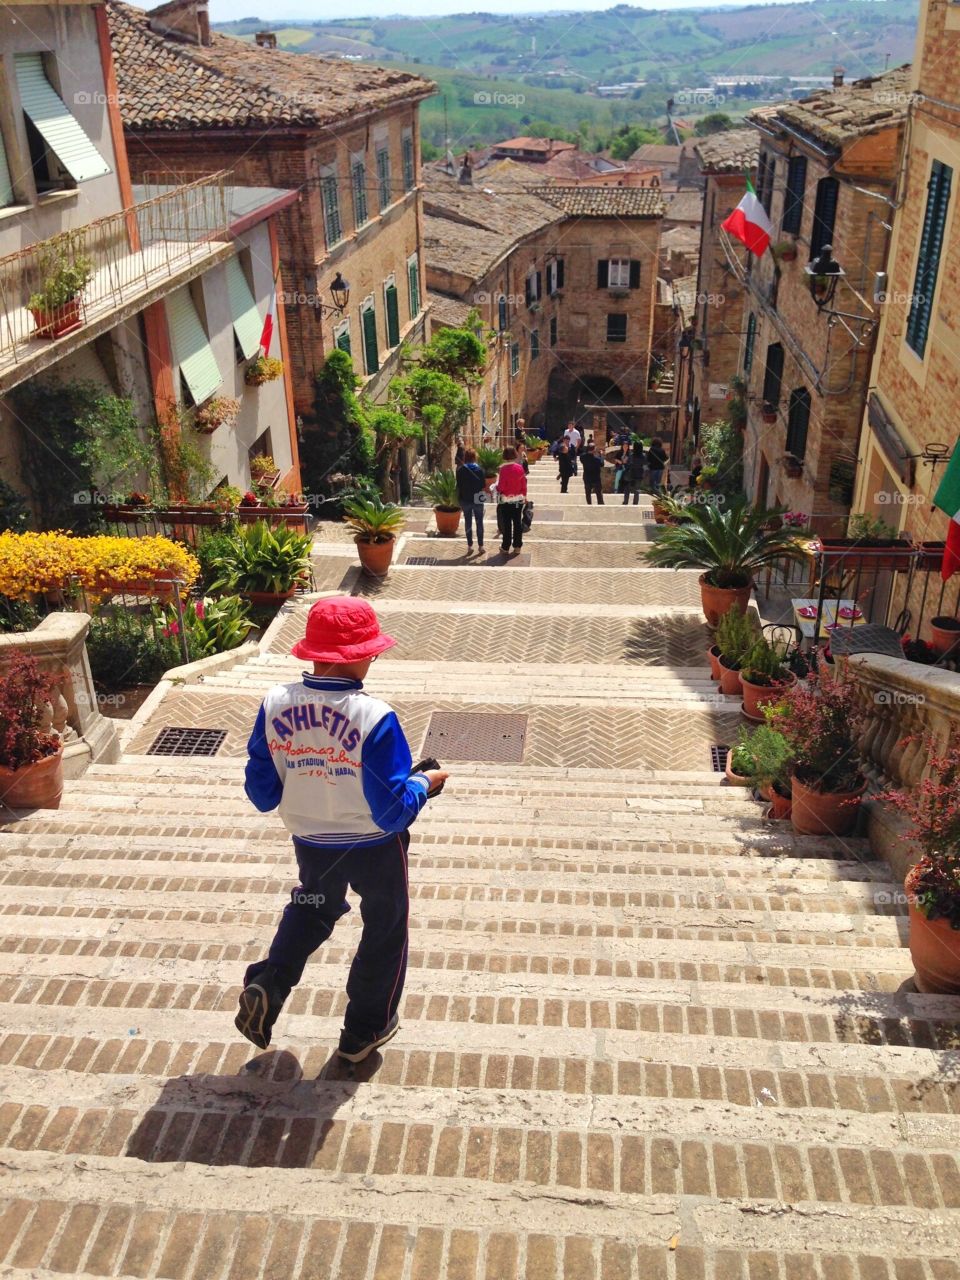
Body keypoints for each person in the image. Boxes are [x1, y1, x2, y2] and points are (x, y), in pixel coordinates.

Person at [238, 596, 449, 1061]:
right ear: (359, 656)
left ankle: (268, 983)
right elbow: (391, 810)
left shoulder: (273, 705)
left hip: (312, 842)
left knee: (313, 907)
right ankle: (363, 1030)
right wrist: (423, 783)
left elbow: (261, 793)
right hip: (375, 847)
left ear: (312, 651)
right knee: (385, 925)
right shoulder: (375, 717)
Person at [496, 445, 527, 553]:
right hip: (518, 500)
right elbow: (524, 484)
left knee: (507, 524)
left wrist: (496, 487)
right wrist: (524, 496)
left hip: (506, 501)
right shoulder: (519, 468)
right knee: (517, 522)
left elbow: (501, 487)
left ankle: (505, 546)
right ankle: (517, 546)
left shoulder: (503, 469)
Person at [456, 447, 486, 554]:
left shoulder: (460, 470)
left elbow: (458, 486)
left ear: (465, 457)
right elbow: (483, 487)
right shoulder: (480, 470)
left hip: (465, 499)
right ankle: (481, 546)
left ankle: (469, 545)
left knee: (468, 522)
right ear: (474, 457)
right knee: (479, 522)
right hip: (477, 499)